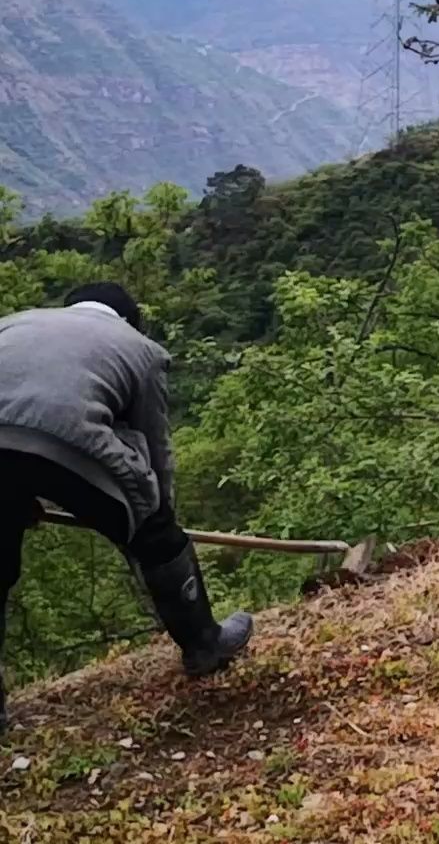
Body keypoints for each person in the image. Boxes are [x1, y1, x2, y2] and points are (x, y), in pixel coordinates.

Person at [0, 284, 252, 733]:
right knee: (155, 534)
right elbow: (155, 445)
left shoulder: (13, 324)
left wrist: (14, 501)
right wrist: (159, 521)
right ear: (130, 321)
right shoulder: (142, 350)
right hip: (74, 441)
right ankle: (204, 645)